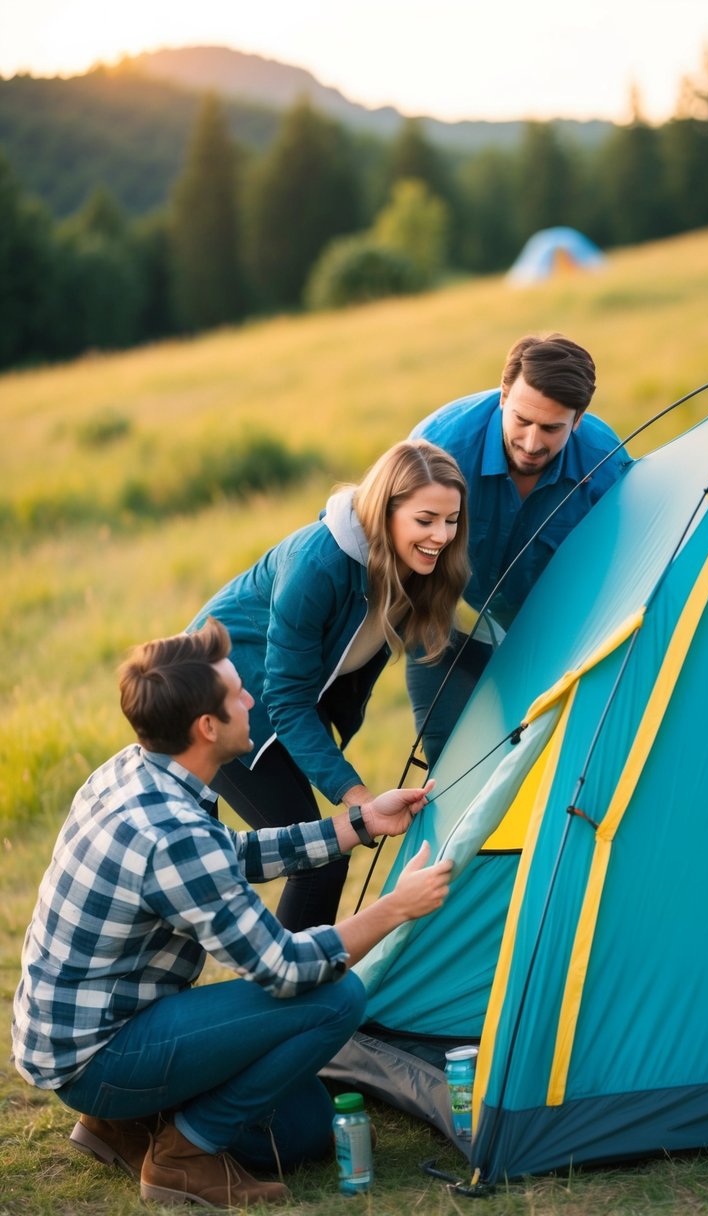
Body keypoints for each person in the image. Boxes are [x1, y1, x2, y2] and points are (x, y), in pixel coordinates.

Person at [11, 618, 453, 1209]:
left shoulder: (137, 771)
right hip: (99, 1056)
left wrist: (359, 822)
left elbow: (229, 855)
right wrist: (396, 909)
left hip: (78, 1035)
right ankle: (183, 1157)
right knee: (338, 997)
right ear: (206, 726)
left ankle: (121, 1124)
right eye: (238, 694)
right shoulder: (172, 834)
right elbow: (289, 969)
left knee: (303, 1128)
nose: (252, 699)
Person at [187, 438, 469, 931]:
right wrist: (357, 799)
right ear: (385, 511)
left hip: (280, 704)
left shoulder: (416, 563)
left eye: (451, 520)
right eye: (425, 520)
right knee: (322, 855)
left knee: (324, 853)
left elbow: (445, 647)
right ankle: (291, 992)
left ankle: (303, 985)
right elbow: (287, 698)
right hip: (221, 702)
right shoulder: (318, 565)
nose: (442, 536)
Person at [408, 332, 630, 765]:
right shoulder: (437, 447)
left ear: (578, 419)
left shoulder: (609, 467)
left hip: (558, 632)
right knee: (449, 760)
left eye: (551, 429)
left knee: (565, 759)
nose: (532, 443)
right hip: (441, 616)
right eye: (522, 421)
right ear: (503, 395)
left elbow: (620, 576)